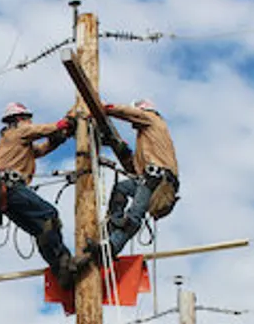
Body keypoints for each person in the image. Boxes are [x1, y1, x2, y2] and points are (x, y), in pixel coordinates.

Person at [74, 98, 180, 272]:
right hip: (149, 178)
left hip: (158, 181)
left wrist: (105, 108)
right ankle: (113, 226)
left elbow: (128, 113)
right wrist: (120, 148)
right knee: (121, 189)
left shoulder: (152, 119)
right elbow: (134, 169)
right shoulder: (147, 139)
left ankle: (110, 248)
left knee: (134, 215)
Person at [0, 102, 80, 287]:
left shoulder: (14, 140)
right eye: (28, 119)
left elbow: (40, 150)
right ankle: (65, 262)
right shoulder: (19, 130)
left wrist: (58, 139)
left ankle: (61, 271)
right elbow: (43, 129)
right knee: (50, 215)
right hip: (9, 188)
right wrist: (66, 123)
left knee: (41, 229)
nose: (30, 122)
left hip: (1, 195)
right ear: (20, 119)